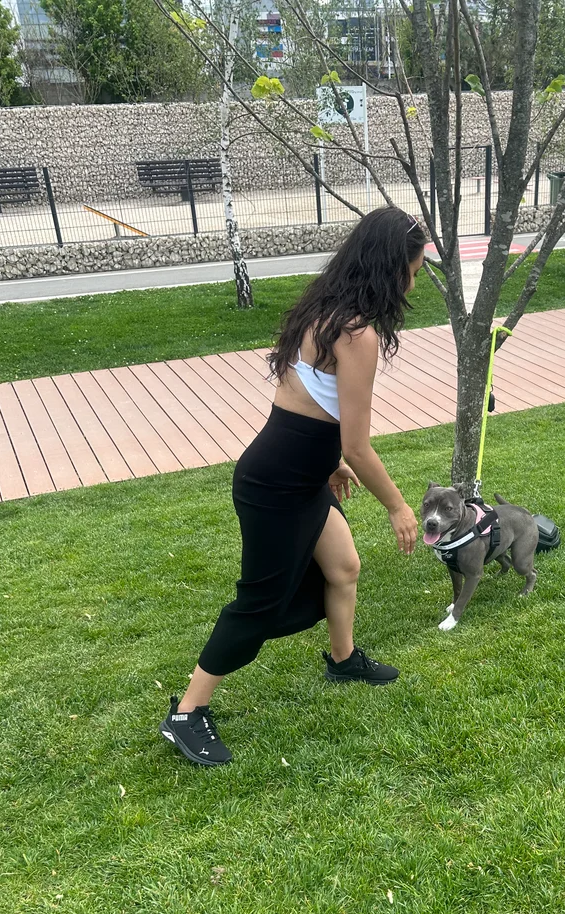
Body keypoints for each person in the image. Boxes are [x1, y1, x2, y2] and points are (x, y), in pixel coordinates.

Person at [160, 207, 425, 767]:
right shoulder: (356, 333)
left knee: (343, 567)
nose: (413, 283)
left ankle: (343, 660)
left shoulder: (323, 311)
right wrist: (398, 506)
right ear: (390, 267)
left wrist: (329, 463)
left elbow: (306, 406)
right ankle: (186, 713)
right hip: (276, 485)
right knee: (259, 603)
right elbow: (358, 443)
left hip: (299, 475)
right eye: (413, 271)